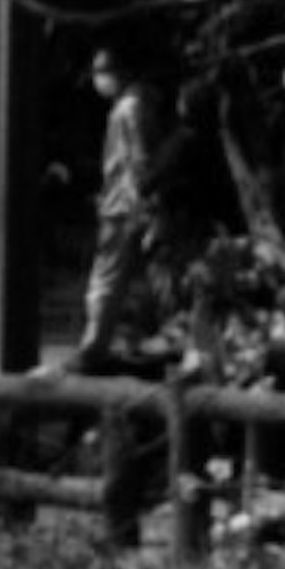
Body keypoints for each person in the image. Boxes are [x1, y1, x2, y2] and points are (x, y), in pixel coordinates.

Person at [72, 39, 179, 370]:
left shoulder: (128, 109)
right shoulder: (139, 103)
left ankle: (94, 346)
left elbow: (137, 159)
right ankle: (152, 337)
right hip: (131, 202)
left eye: (102, 71)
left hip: (125, 207)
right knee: (148, 277)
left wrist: (140, 201)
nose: (98, 79)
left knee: (106, 279)